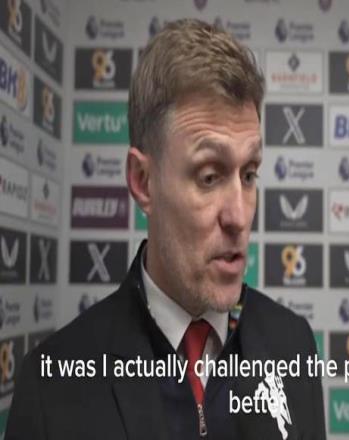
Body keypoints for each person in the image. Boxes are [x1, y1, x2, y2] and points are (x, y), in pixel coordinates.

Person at [5, 19, 326, 440]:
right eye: (209, 176)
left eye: (249, 175)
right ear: (143, 181)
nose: (239, 216)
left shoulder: (293, 344)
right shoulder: (51, 387)